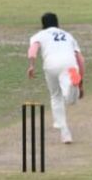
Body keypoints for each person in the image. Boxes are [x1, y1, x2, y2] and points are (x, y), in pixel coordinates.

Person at [27, 13, 84, 144]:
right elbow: (81, 59)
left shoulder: (39, 35)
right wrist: (81, 83)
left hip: (51, 64)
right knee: (71, 100)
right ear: (58, 23)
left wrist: (31, 66)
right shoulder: (68, 35)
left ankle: (65, 133)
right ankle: (72, 85)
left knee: (56, 96)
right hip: (70, 64)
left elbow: (32, 51)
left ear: (43, 25)